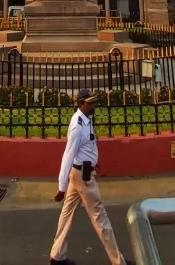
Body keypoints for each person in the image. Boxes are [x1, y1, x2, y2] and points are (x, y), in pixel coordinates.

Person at [50, 89, 131, 265]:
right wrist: (61, 187)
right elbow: (68, 155)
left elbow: (90, 143)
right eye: (89, 103)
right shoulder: (77, 127)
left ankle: (57, 256)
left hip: (80, 173)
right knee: (100, 217)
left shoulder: (86, 120)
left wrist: (95, 160)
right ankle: (119, 261)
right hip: (82, 176)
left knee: (67, 214)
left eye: (93, 102)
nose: (92, 105)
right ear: (80, 104)